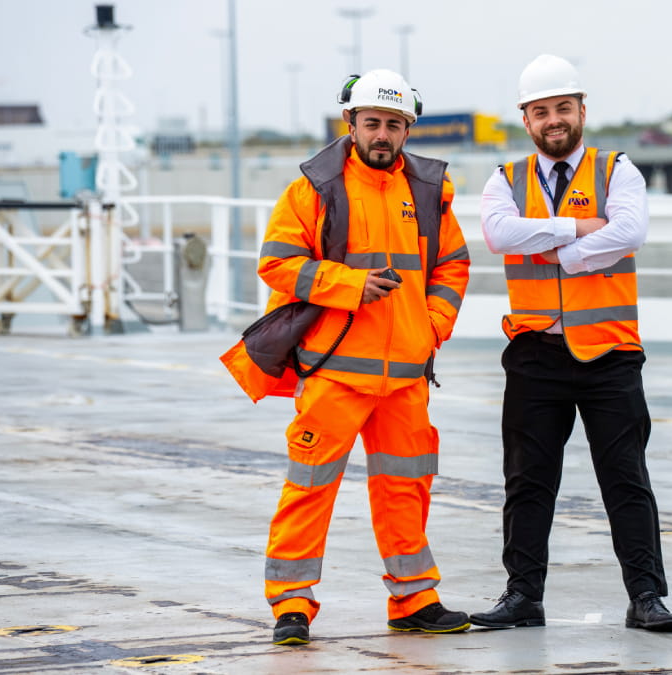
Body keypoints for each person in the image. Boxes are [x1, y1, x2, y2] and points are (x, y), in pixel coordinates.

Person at [227, 69, 471, 645]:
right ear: (351, 124)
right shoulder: (313, 188)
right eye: (372, 123)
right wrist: (349, 284)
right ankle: (291, 604)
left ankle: (414, 599)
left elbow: (452, 265)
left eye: (393, 124)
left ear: (407, 129)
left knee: (406, 488)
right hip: (336, 371)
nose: (382, 134)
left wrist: (431, 327)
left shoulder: (431, 190)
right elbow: (278, 263)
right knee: (310, 487)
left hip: (407, 376)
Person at [469, 54, 672, 632]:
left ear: (582, 110)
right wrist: (581, 229)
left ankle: (646, 597)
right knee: (528, 481)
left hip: (610, 353)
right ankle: (522, 597)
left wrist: (560, 251)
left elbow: (630, 230)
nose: (553, 120)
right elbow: (497, 234)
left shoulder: (619, 171)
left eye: (563, 107)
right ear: (526, 118)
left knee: (626, 479)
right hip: (536, 352)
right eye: (541, 111)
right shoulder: (504, 180)